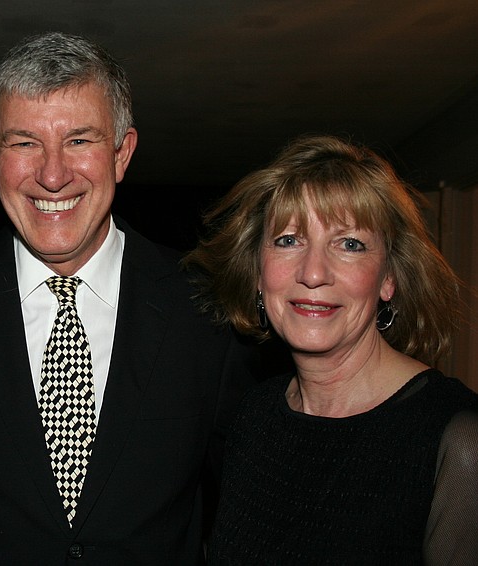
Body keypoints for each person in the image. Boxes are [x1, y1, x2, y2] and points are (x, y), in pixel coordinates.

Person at [0, 31, 252, 564]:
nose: (52, 175)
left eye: (79, 140)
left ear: (122, 153)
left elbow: (248, 511)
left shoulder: (207, 309)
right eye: (24, 143)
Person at [187, 134, 478, 564]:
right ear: (257, 272)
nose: (313, 273)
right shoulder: (254, 416)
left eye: (349, 244)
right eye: (288, 240)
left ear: (388, 278)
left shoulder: (458, 440)